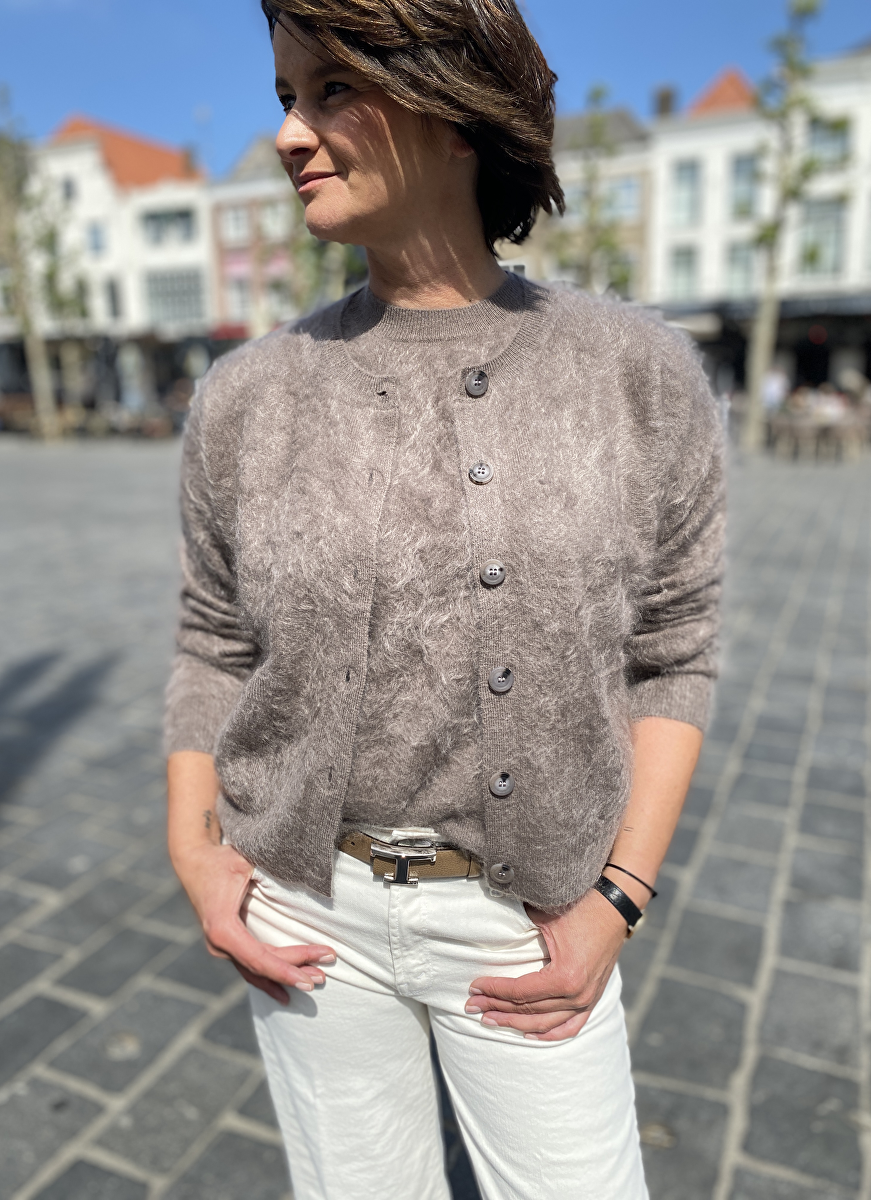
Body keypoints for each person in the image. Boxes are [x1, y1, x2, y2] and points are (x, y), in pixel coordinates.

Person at [164, 2, 725, 1196]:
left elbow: (675, 650)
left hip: (532, 915)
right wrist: (192, 847)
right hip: (306, 909)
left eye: (332, 89)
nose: (290, 134)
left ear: (457, 108)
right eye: (285, 96)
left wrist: (618, 898)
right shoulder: (247, 396)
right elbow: (212, 639)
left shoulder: (636, 374)